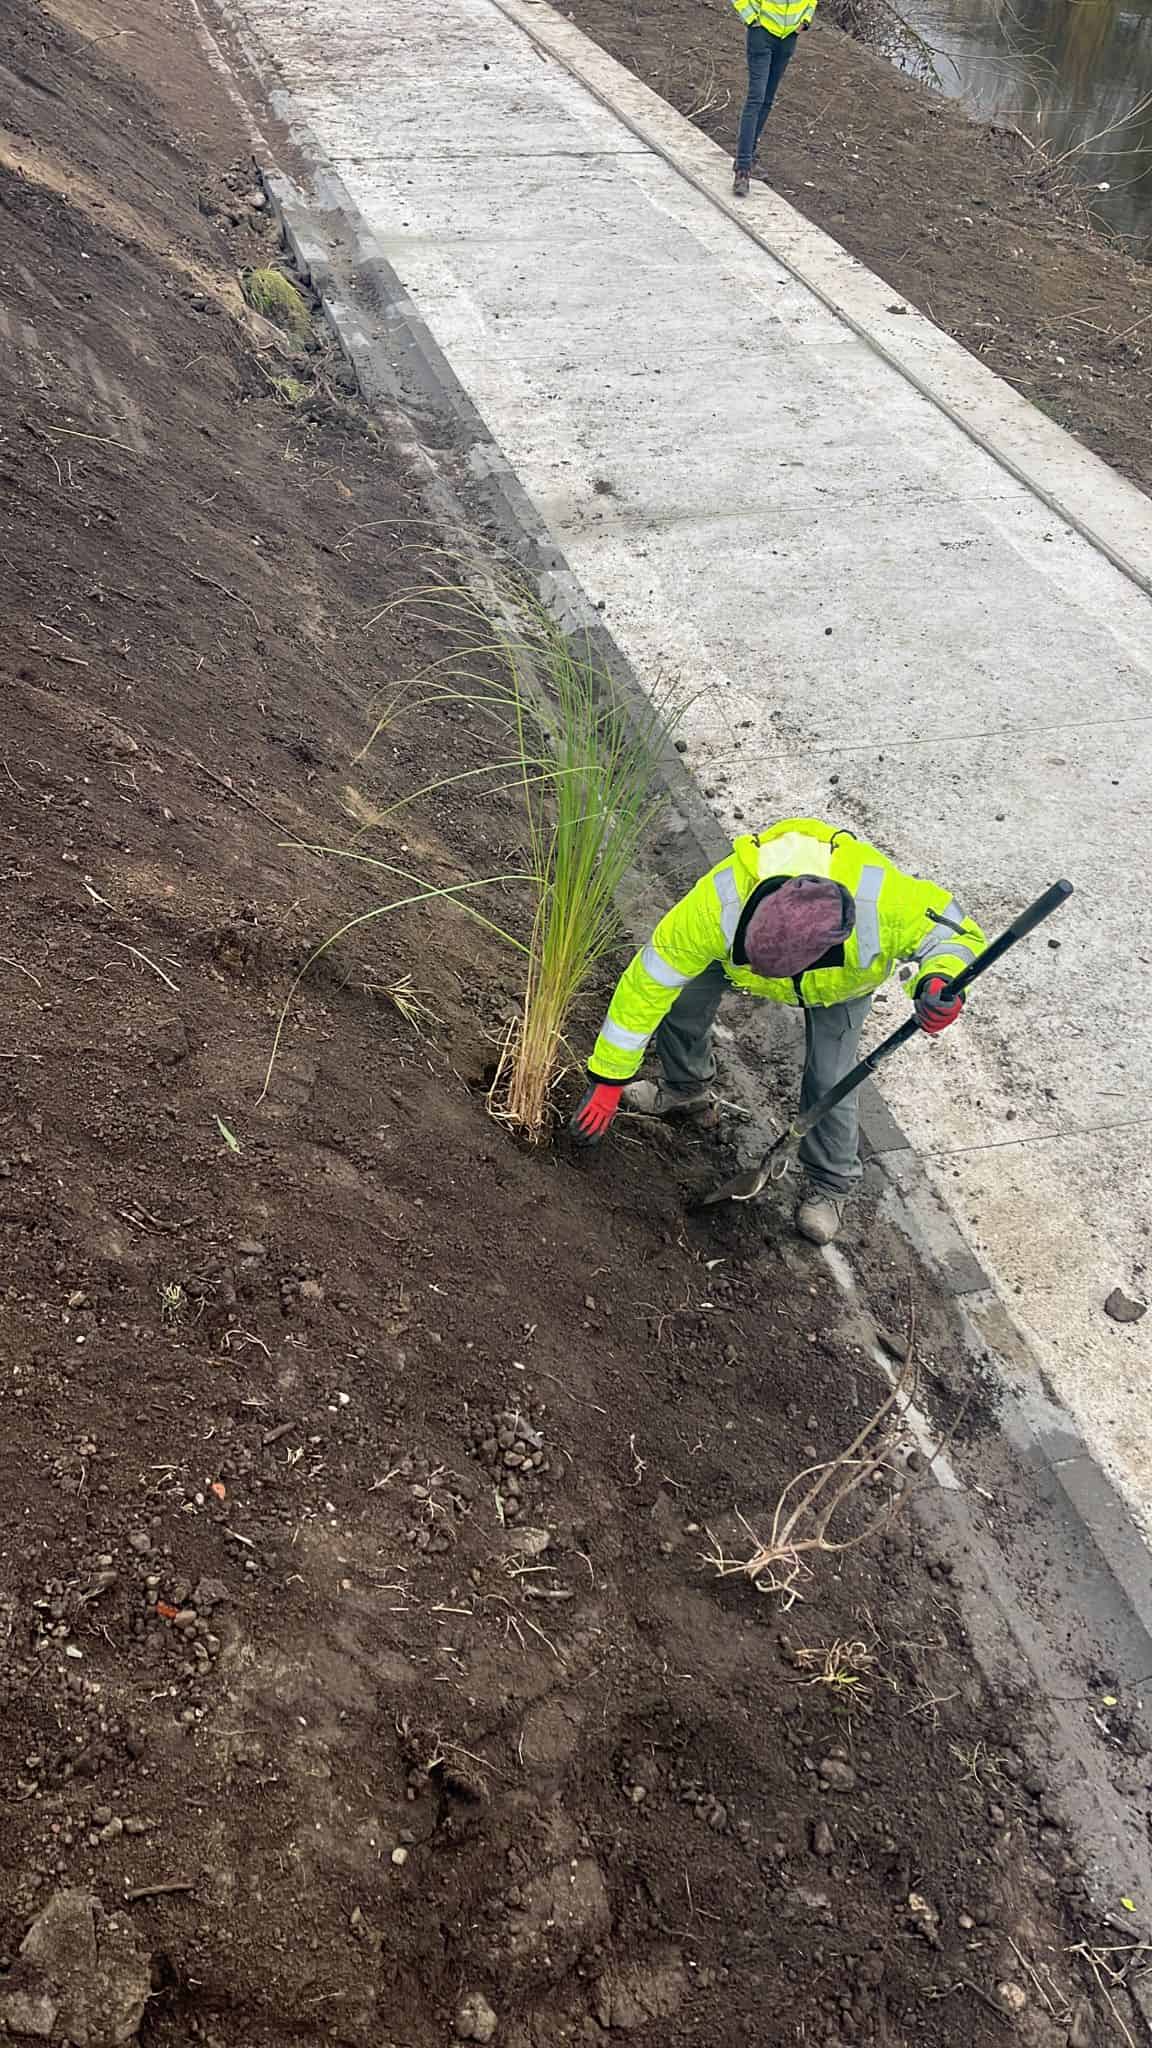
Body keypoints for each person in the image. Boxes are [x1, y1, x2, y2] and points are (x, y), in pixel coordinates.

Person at [568, 818, 986, 1244]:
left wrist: (940, 981)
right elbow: (648, 984)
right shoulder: (718, 906)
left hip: (841, 988)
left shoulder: (885, 903)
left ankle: (831, 1185)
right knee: (683, 1000)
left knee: (830, 1077)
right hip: (730, 953)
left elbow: (955, 935)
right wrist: (608, 1078)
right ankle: (685, 1088)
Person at [731, 0, 816, 199]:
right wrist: (751, 18)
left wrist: (805, 20)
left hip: (788, 38)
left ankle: (749, 157)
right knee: (756, 98)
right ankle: (742, 170)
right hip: (762, 34)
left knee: (767, 100)